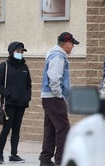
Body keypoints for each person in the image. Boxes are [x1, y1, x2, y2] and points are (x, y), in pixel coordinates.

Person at [39, 32, 79, 166]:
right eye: (72, 44)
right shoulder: (58, 56)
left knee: (50, 128)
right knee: (64, 129)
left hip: (49, 98)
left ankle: (45, 159)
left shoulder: (55, 54)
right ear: (67, 44)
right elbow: (54, 78)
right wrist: (59, 95)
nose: (73, 47)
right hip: (54, 98)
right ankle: (60, 160)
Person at [0, 41, 32, 163]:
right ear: (11, 52)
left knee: (16, 129)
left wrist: (28, 96)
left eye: (21, 52)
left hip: (21, 103)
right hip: (9, 103)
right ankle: (0, 154)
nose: (20, 54)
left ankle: (14, 154)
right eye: (17, 51)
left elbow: (28, 84)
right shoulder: (4, 65)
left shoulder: (25, 67)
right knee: (6, 129)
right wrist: (8, 94)